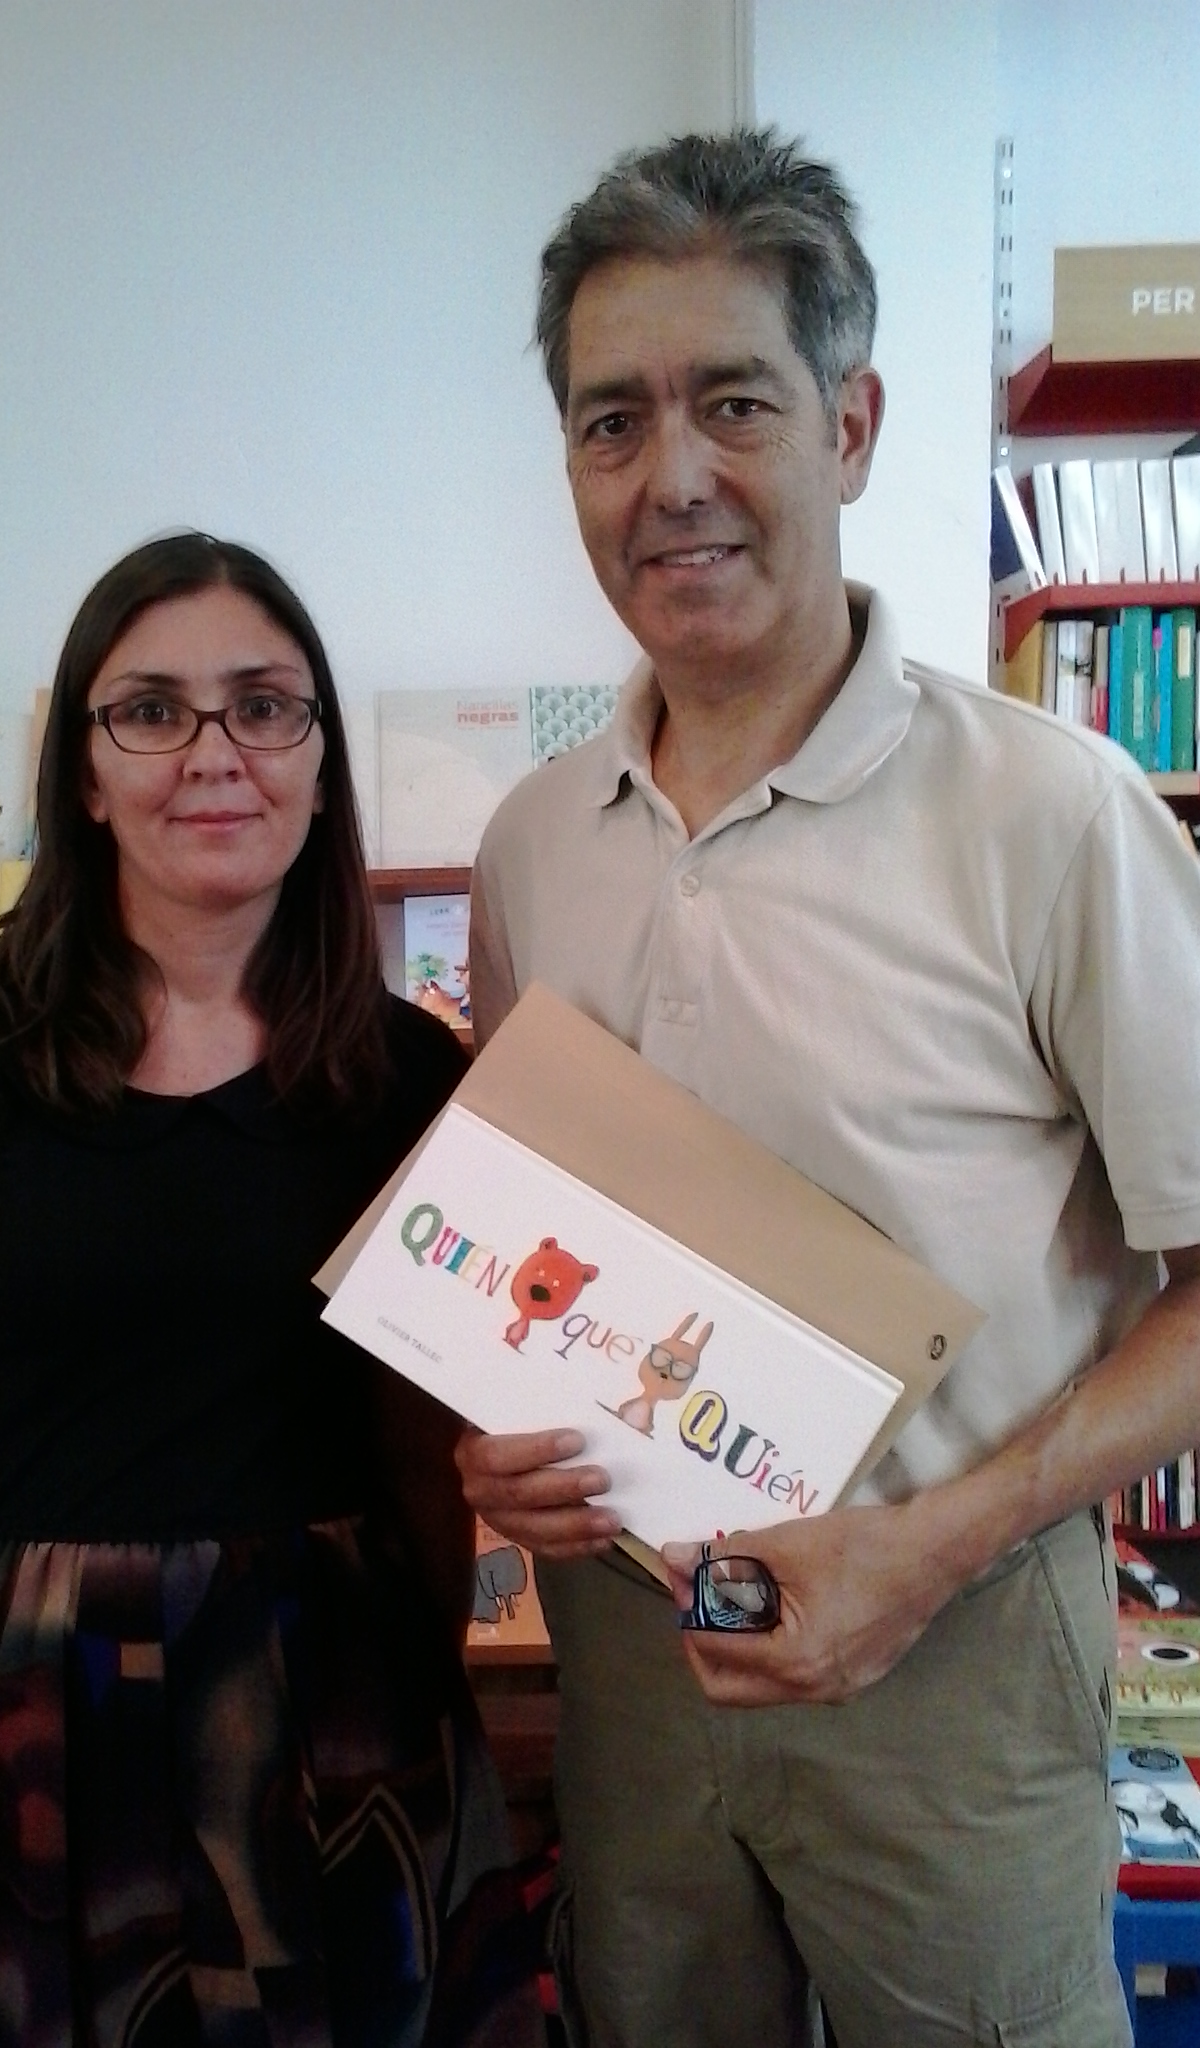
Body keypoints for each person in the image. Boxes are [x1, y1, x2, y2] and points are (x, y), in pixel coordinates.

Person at [456, 128, 1200, 2048]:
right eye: (612, 422)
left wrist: (926, 1551)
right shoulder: (532, 845)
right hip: (636, 1649)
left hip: (956, 1648)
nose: (673, 476)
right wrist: (497, 1425)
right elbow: (526, 1250)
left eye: (736, 403)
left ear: (851, 428)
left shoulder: (1054, 815)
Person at [0, 533, 543, 2048]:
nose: (213, 753)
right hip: (7, 1722)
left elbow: (417, 1464)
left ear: (320, 763)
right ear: (86, 771)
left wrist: (426, 1714)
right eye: (153, 710)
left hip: (328, 1730)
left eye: (264, 706)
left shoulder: (404, 1075)